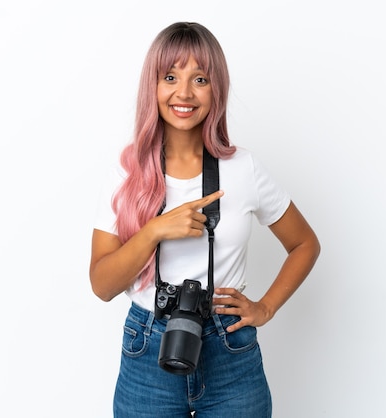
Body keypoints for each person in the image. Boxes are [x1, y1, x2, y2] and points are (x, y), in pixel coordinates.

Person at [90, 21, 320, 418]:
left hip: (229, 348)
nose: (184, 92)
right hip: (148, 345)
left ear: (217, 89)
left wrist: (264, 308)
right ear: (154, 87)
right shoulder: (128, 171)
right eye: (170, 77)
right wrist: (155, 230)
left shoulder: (243, 168)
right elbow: (102, 285)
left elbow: (305, 244)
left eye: (200, 78)